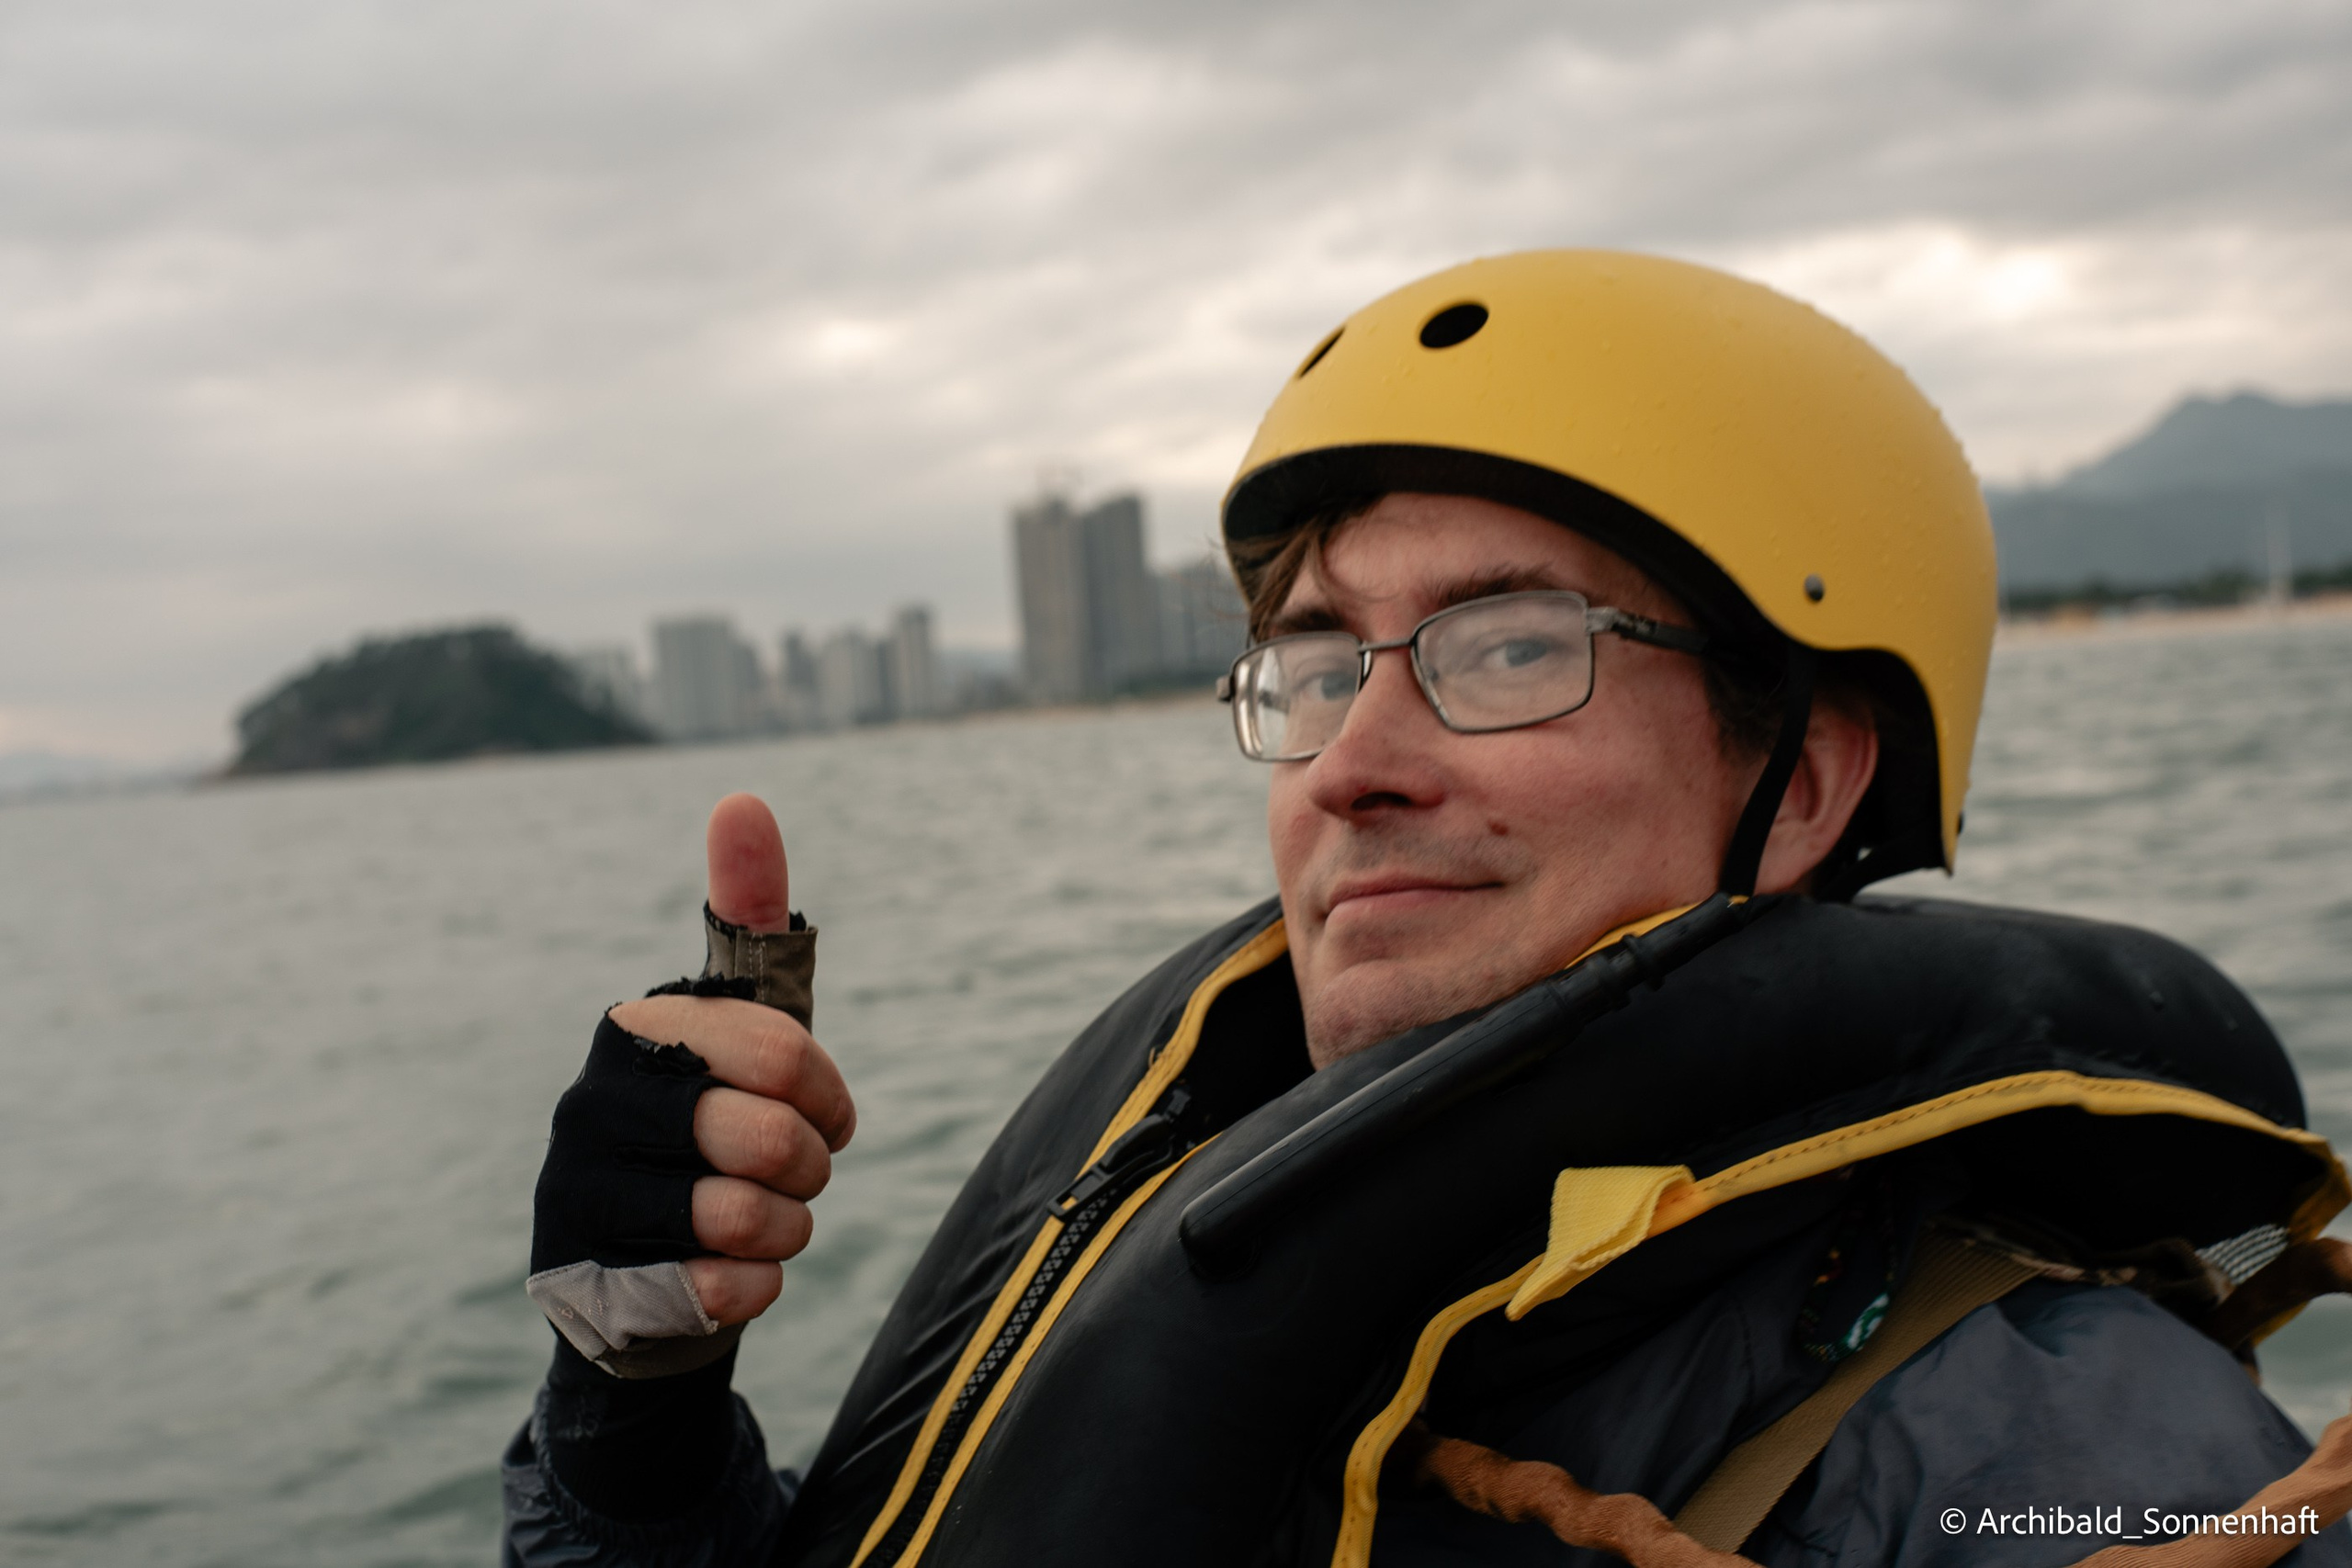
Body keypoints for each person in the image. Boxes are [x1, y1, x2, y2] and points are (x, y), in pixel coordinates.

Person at [502, 252, 2351, 1568]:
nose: (1342, 764)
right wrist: (634, 1412)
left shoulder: (2077, 1467)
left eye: (1507, 645)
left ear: (1800, 782)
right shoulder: (1219, 1303)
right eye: (1316, 662)